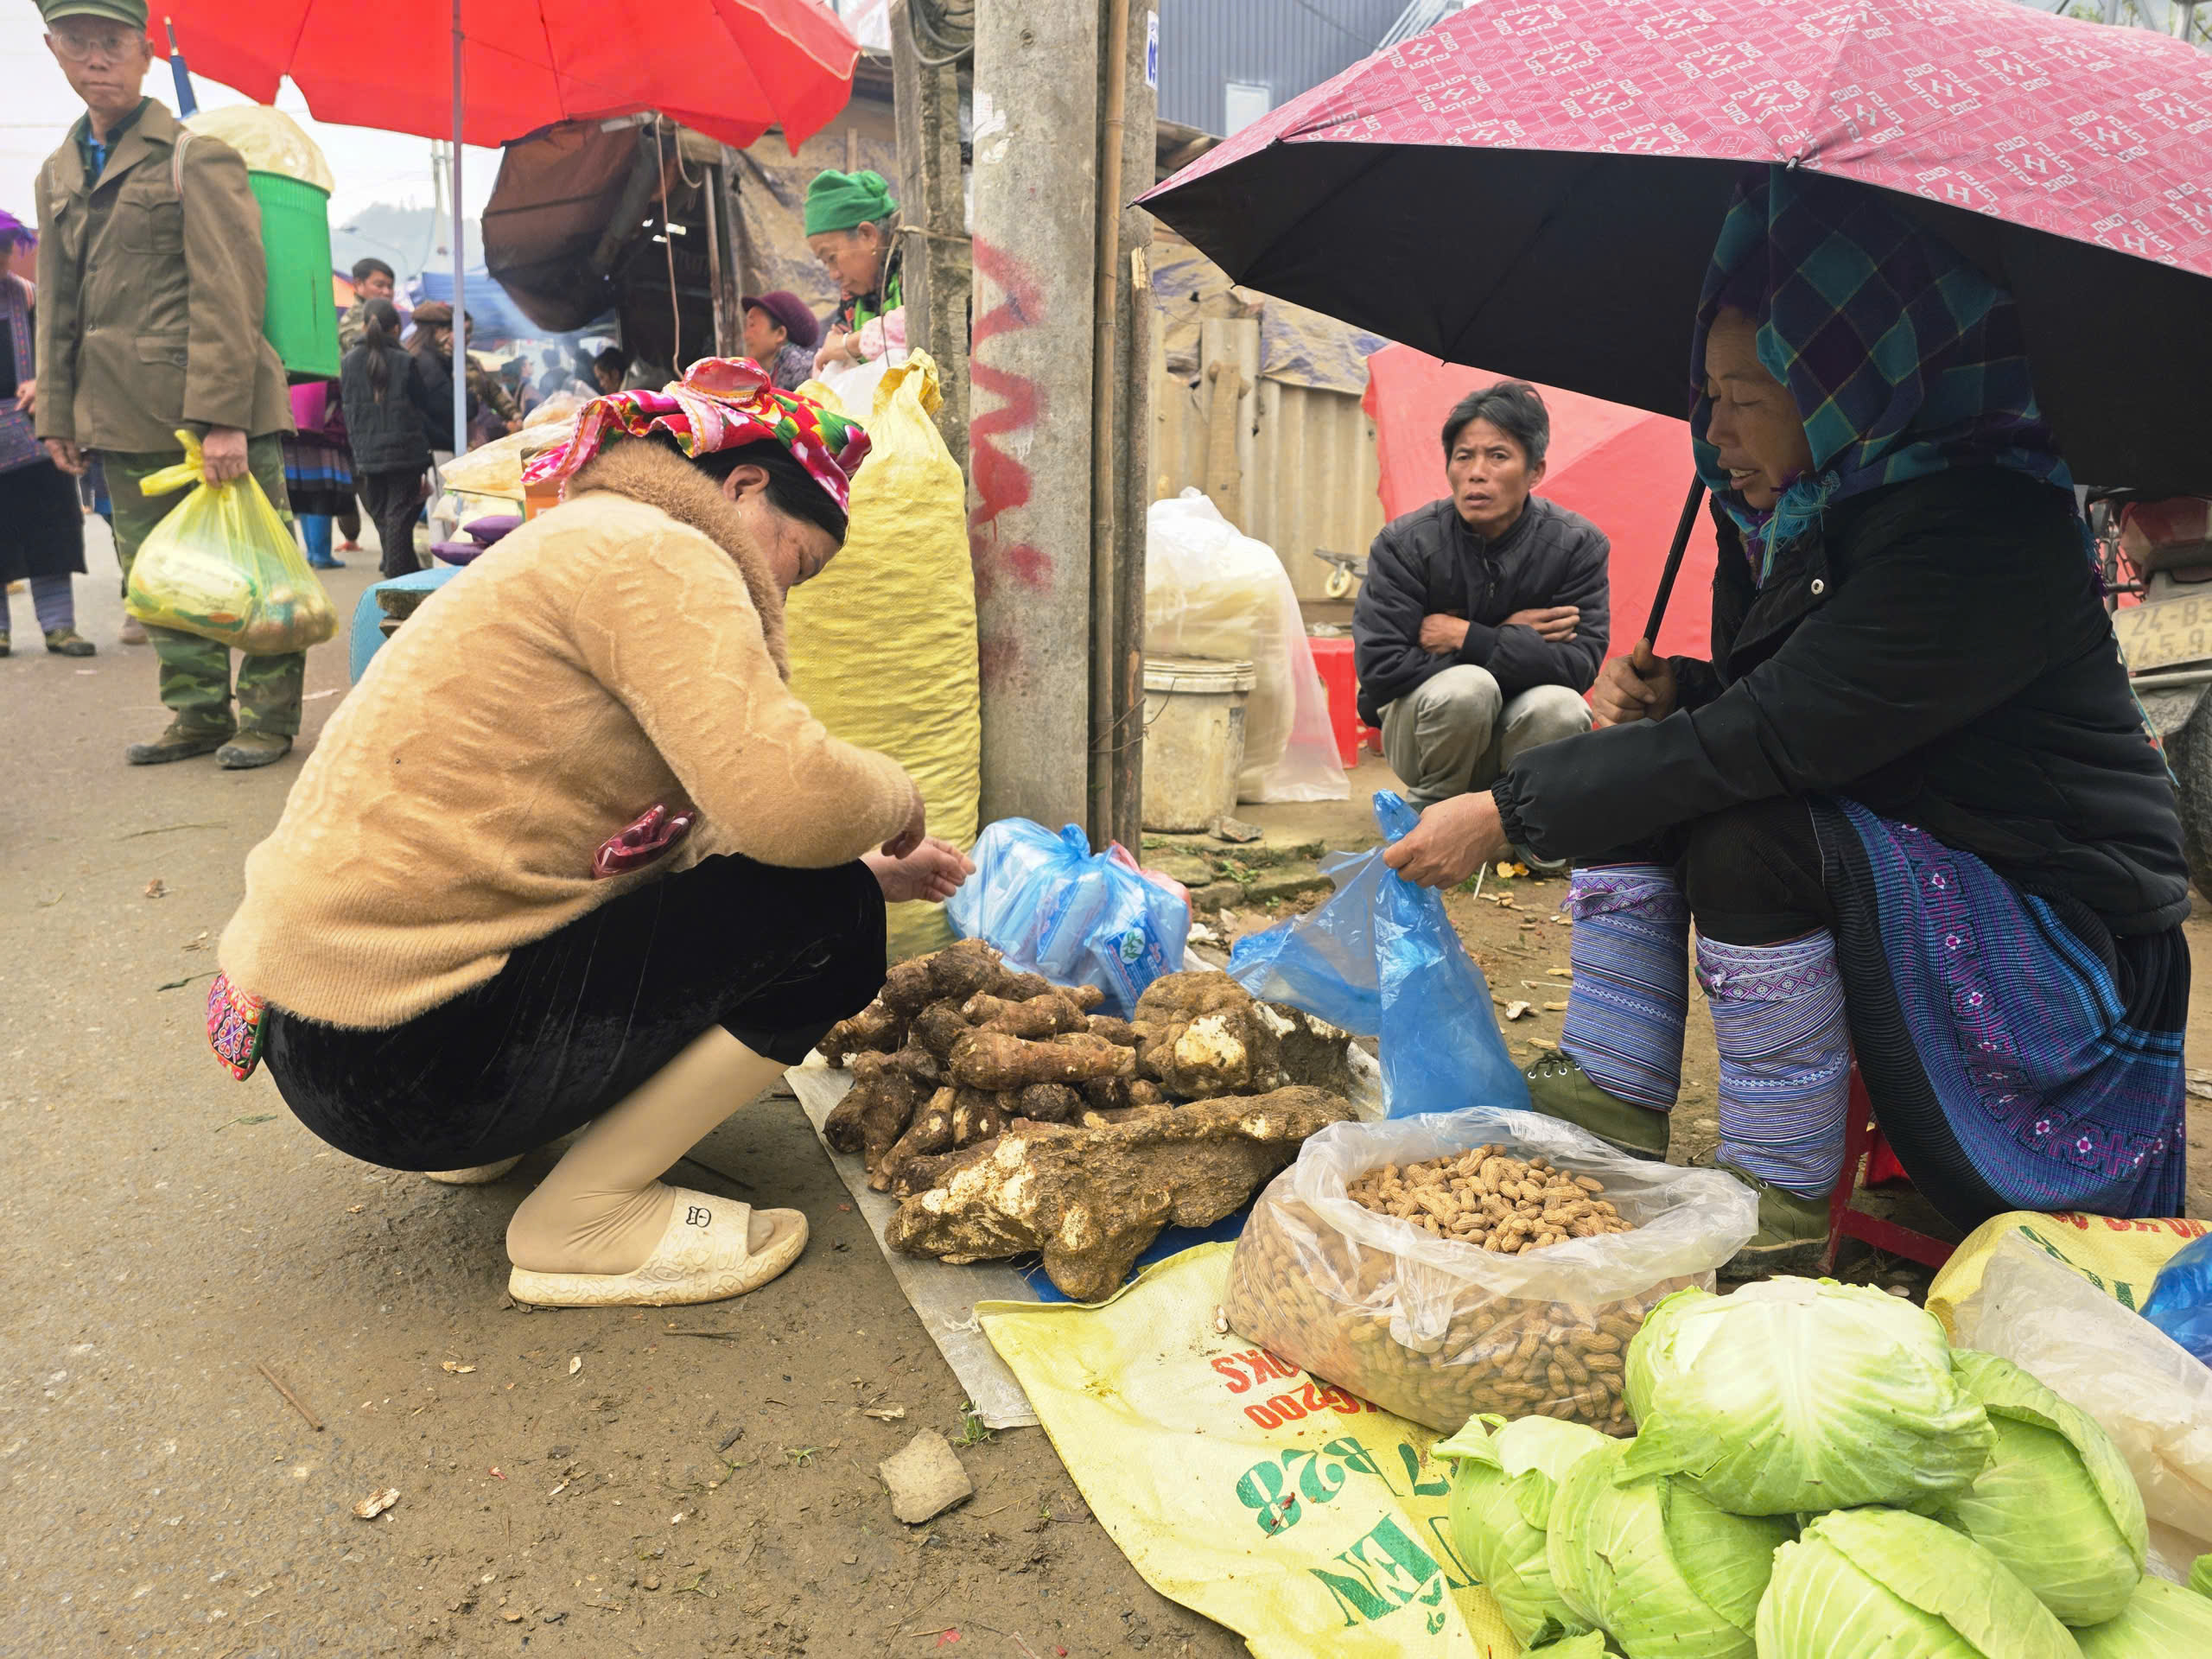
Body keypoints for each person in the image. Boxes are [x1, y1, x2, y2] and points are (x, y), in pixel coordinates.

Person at [1384, 167, 2191, 1262]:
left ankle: (1774, 1198)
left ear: (1850, 386)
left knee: (1746, 835)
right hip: (1929, 824)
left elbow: (1783, 737)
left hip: (2056, 906)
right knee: (1653, 760)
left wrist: (1507, 810)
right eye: (1706, 395)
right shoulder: (1809, 507)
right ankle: (1608, 1101)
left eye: (1745, 400)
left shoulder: (1976, 525)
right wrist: (1691, 692)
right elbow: (1805, 714)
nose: (1713, 428)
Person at [214, 358, 971, 1308]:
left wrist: (850, 858)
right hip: (408, 1061)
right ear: (741, 486)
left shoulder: (584, 539)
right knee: (836, 921)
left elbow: (665, 844)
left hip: (326, 1028)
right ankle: (584, 1218)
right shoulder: (657, 550)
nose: (789, 591)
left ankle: (497, 1139)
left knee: (804, 888)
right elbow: (787, 798)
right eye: (799, 561)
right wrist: (893, 804)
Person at [34, 0, 303, 768]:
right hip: (116, 415)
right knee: (158, 579)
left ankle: (270, 716)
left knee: (252, 566)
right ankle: (197, 715)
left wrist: (223, 419)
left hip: (205, 410)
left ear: (146, 52)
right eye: (78, 43)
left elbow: (231, 292)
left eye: (112, 42)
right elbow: (58, 303)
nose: (96, 58)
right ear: (52, 50)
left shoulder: (195, 156)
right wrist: (58, 412)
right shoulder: (57, 172)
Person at [1353, 381, 1606, 813]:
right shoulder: (1406, 544)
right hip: (1426, 738)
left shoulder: (1576, 546)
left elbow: (1577, 668)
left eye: (1498, 456)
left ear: (1536, 471)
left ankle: (1528, 821)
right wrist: (1513, 641)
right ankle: (1429, 816)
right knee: (1469, 688)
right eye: (1463, 456)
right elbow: (1381, 667)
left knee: (1561, 708)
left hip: (1518, 738)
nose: (1476, 472)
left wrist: (1471, 636)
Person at [1, 211, 93, 658]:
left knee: (50, 532)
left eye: (3, 248)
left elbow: (65, 353)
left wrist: (46, 383)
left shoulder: (32, 300)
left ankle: (60, 627)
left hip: (37, 432)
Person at [339, 298, 442, 581]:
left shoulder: (347, 363)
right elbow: (423, 404)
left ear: (363, 325)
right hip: (405, 451)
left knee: (384, 513)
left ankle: (401, 568)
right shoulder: (406, 361)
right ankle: (397, 575)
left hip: (366, 452)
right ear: (396, 329)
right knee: (397, 513)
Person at [804, 168, 904, 372]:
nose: (834, 275)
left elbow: (918, 324)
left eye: (832, 258)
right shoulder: (853, 297)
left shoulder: (914, 262)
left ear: (868, 235)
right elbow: (829, 351)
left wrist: (850, 344)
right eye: (825, 263)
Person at [281, 378, 353, 570]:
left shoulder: (291, 366)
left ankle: (313, 553)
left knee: (303, 492)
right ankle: (321, 555)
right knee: (321, 493)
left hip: (292, 438)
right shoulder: (327, 372)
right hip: (323, 439)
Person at [403, 300, 474, 456]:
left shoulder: (415, 355)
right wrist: (472, 398)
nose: (451, 336)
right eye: (448, 329)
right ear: (437, 331)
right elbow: (456, 408)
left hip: (428, 447)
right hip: (438, 449)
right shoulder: (428, 363)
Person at [741, 290, 821, 392]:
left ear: (780, 333)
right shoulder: (776, 368)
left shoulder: (800, 369)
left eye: (752, 325)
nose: (745, 336)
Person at [338, 257, 397, 353]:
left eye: (390, 287)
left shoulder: (385, 317)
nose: (387, 292)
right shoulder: (357, 317)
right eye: (379, 285)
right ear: (359, 284)